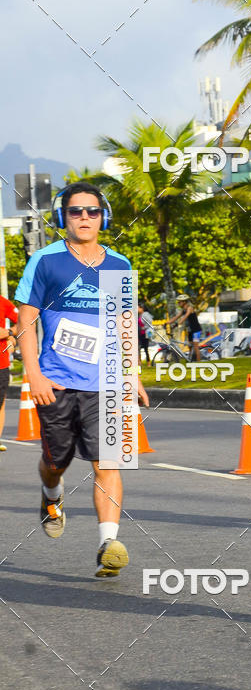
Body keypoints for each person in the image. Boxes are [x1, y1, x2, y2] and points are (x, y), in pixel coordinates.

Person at [15, 181, 149, 577]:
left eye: (93, 211)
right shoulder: (47, 261)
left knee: (108, 463)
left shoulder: (118, 265)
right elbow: (26, 320)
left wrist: (131, 375)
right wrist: (33, 374)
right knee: (56, 462)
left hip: (105, 382)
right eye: (76, 211)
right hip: (55, 382)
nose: (85, 218)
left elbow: (124, 323)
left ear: (103, 216)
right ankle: (50, 494)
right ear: (63, 217)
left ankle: (108, 542)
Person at [0, 294, 19, 451]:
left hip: (1, 365)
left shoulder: (2, 302)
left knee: (0, 405)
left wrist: (9, 334)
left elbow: (23, 321)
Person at [167, 294, 202, 360]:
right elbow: (176, 317)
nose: (178, 303)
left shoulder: (190, 308)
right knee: (190, 347)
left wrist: (178, 323)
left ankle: (199, 363)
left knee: (195, 346)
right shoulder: (183, 310)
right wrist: (166, 323)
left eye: (179, 302)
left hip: (196, 330)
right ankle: (192, 361)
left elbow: (185, 316)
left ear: (184, 302)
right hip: (190, 330)